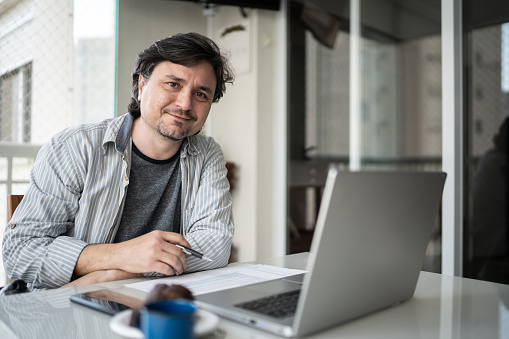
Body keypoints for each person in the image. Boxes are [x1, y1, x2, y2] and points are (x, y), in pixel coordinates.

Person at [2, 32, 235, 290]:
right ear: (142, 86)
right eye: (173, 84)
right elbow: (20, 252)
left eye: (201, 94)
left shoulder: (207, 153)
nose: (184, 103)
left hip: (155, 308)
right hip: (69, 314)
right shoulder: (73, 147)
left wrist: (116, 277)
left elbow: (216, 245)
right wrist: (121, 256)